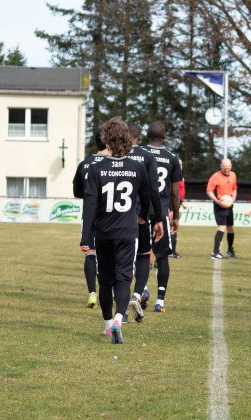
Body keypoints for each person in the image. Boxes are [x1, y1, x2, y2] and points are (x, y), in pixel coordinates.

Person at [80, 117, 162, 344]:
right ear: (127, 139)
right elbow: (146, 198)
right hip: (128, 231)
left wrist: (86, 237)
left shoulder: (96, 169)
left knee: (105, 281)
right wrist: (145, 217)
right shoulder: (137, 167)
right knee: (124, 278)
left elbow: (89, 206)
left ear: (105, 139)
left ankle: (108, 326)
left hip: (103, 232)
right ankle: (119, 318)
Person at [142, 121, 183, 313]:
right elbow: (175, 193)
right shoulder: (172, 158)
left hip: (140, 214)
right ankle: (160, 301)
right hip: (161, 214)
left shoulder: (138, 154)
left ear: (147, 136)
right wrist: (176, 217)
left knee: (140, 254)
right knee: (163, 257)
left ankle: (142, 289)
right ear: (164, 137)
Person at [125, 123, 163, 322]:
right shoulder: (148, 157)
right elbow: (153, 190)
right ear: (139, 137)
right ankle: (138, 294)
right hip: (140, 216)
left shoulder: (114, 156)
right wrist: (157, 217)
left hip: (116, 217)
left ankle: (120, 309)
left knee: (120, 261)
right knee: (143, 256)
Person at [73, 129, 109, 309]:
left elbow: (77, 191)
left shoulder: (85, 164)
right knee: (109, 254)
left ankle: (92, 293)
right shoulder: (113, 164)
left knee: (90, 253)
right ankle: (107, 290)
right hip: (110, 216)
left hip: (89, 215)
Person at [207, 159, 238, 259]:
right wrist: (217, 201)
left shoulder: (233, 175)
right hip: (219, 204)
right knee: (222, 226)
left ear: (231, 166)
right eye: (225, 168)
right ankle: (215, 252)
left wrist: (232, 199)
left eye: (228, 168)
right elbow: (209, 191)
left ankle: (230, 250)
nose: (227, 170)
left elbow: (234, 189)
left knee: (230, 228)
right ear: (221, 166)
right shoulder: (215, 176)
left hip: (229, 205)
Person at [170, 159, 186, 259]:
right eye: (178, 164)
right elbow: (172, 193)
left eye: (181, 164)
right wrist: (170, 208)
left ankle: (173, 251)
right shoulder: (172, 176)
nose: (179, 166)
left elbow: (179, 193)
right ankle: (171, 252)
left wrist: (182, 203)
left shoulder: (180, 177)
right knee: (172, 228)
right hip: (172, 206)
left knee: (174, 228)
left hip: (177, 205)